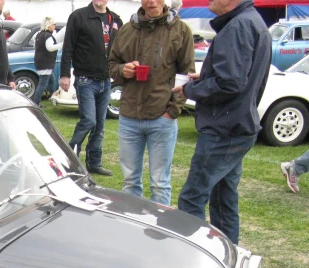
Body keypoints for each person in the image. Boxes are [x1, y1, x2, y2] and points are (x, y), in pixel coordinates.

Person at [173, 0, 271, 244]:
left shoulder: (237, 26)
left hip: (224, 129)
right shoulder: (251, 21)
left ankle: (196, 258)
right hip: (238, 124)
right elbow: (239, 76)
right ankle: (229, 255)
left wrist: (190, 89)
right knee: (223, 197)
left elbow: (231, 83)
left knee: (192, 198)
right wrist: (205, 76)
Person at [108, 0, 194, 206]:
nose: (152, 1)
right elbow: (112, 65)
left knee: (160, 183)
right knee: (130, 182)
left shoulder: (180, 30)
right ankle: (133, 230)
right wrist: (123, 70)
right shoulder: (127, 29)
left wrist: (172, 111)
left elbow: (187, 74)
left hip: (161, 118)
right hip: (129, 117)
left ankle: (159, 234)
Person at [60, 0, 122, 176]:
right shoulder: (78, 16)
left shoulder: (115, 19)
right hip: (85, 79)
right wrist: (65, 74)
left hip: (106, 80)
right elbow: (68, 47)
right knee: (89, 120)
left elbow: (121, 49)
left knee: (100, 125)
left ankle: (94, 163)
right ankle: (69, 157)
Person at [32, 17, 65, 105]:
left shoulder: (39, 34)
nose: (55, 26)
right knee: (42, 83)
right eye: (54, 24)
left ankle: (53, 97)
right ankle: (36, 103)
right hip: (45, 63)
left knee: (51, 80)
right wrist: (62, 44)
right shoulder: (48, 36)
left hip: (40, 61)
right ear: (49, 25)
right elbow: (50, 48)